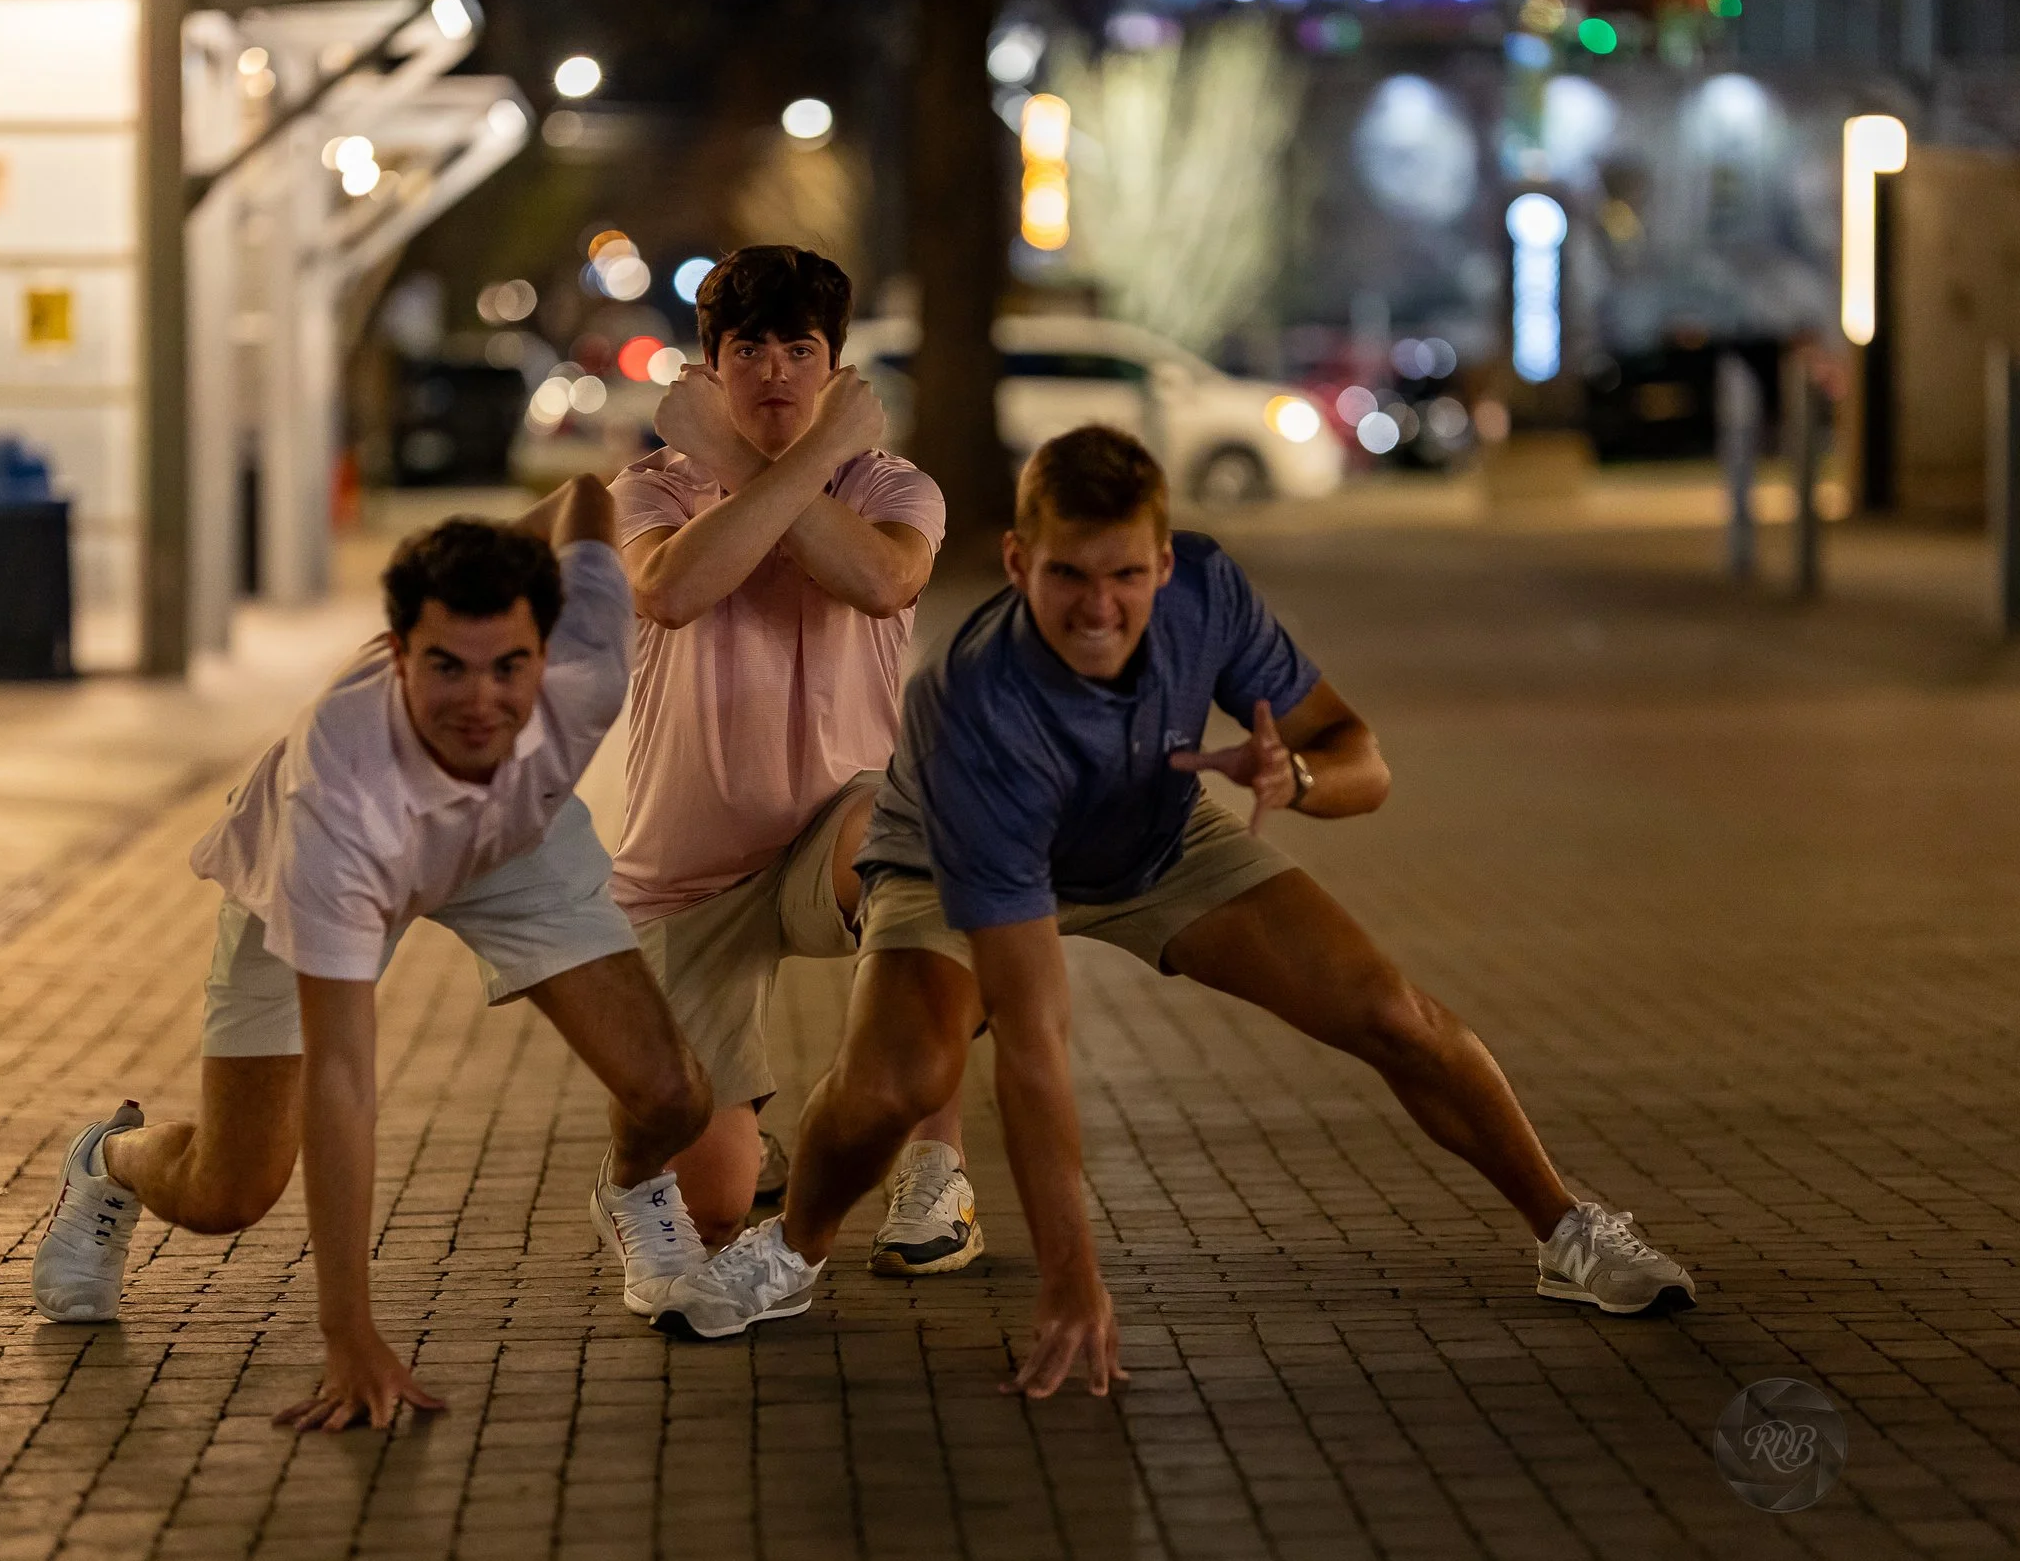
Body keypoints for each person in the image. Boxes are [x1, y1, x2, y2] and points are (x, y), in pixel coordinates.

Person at [651, 426, 1697, 1390]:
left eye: (1123, 576)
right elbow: (1032, 1042)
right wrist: (1069, 1274)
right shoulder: (976, 705)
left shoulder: (1207, 589)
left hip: (1155, 834)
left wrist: (1297, 778)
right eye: (1067, 575)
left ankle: (1570, 1231)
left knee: (1393, 1013)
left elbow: (1358, 758)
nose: (1097, 607)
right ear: (1019, 563)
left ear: (1162, 565)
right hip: (954, 856)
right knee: (898, 1080)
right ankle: (786, 1250)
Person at [29, 479, 714, 1430]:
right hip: (364, 852)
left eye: (508, 666)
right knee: (231, 1191)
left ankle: (633, 1193)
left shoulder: (590, 654)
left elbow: (591, 498)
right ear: (398, 654)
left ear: (546, 647)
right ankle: (109, 1158)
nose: (481, 702)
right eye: (446, 666)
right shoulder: (336, 797)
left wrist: (482, 566)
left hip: (514, 841)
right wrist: (348, 1330)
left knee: (676, 1095)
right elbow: (344, 1075)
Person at [608, 244, 978, 1275]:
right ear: (711, 367)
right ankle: (721, 1144)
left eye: (799, 347)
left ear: (833, 367)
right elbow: (674, 591)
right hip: (684, 873)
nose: (774, 368)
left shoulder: (894, 484)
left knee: (927, 857)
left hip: (833, 828)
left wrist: (776, 468)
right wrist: (760, 468)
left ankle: (934, 1164)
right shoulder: (644, 488)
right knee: (715, 1209)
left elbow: (883, 580)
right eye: (748, 347)